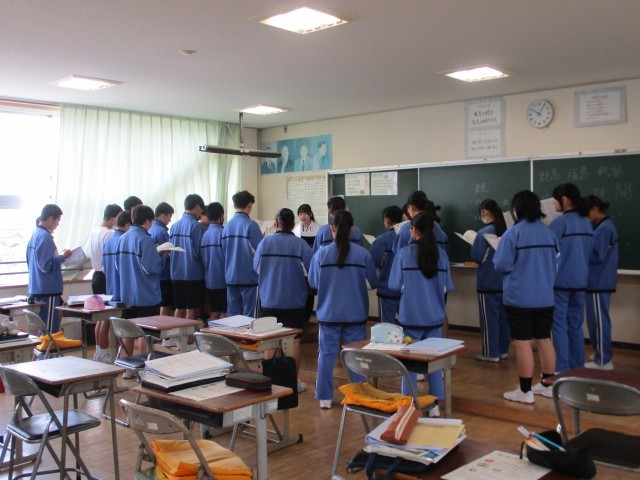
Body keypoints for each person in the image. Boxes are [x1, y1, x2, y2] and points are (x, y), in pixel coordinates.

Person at [493, 190, 559, 403]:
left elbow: (501, 265)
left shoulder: (513, 234)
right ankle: (548, 385)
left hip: (519, 297)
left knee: (522, 343)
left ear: (516, 210)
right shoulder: (549, 233)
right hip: (545, 296)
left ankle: (524, 390)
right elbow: (556, 263)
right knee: (545, 340)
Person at [309, 210, 378, 409]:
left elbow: (314, 282)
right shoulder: (363, 254)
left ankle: (325, 397)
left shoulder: (321, 254)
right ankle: (358, 396)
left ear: (331, 228)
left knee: (326, 355)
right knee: (356, 357)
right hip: (355, 313)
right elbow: (372, 283)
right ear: (352, 229)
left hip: (328, 314)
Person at [388, 213, 453, 417]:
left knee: (408, 365)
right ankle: (435, 405)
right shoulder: (441, 255)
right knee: (433, 362)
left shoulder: (404, 253)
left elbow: (393, 285)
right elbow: (447, 287)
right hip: (435, 316)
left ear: (414, 230)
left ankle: (409, 404)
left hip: (411, 317)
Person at [254, 208, 313, 393]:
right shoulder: (301, 245)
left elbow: (256, 268)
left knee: (270, 340)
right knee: (294, 341)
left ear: (276, 223)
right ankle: (292, 382)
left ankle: (270, 381)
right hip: (294, 301)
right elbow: (312, 271)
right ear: (293, 224)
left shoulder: (264, 243)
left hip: (269, 299)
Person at [549, 183, 593, 372]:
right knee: (575, 324)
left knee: (558, 324)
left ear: (565, 199)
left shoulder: (560, 222)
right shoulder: (586, 222)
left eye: (555, 200)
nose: (553, 204)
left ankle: (562, 366)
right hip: (581, 280)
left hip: (561, 281)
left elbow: (547, 248)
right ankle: (578, 366)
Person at [115, 206, 165, 374]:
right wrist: (162, 258)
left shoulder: (122, 238)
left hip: (127, 294)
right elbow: (152, 268)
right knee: (146, 333)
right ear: (147, 221)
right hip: (145, 295)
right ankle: (145, 368)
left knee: (128, 333)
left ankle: (127, 369)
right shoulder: (145, 240)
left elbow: (117, 266)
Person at [470, 199, 510, 362]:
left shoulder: (483, 233)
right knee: (503, 319)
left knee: (489, 320)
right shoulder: (508, 231)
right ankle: (503, 351)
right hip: (505, 282)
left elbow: (477, 256)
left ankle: (490, 353)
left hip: (487, 283)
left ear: (485, 212)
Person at [584, 195, 618, 370]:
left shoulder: (604, 229)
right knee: (595, 320)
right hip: (597, 281)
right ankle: (600, 353)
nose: (586, 218)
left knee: (598, 321)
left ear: (595, 209)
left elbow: (597, 255)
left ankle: (604, 360)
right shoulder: (603, 227)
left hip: (598, 281)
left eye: (587, 213)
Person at [26, 204, 72, 333]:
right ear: (50, 218)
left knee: (43, 328)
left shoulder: (34, 234)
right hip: (48, 290)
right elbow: (45, 266)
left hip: (37, 288)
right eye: (57, 221)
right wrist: (63, 257)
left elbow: (31, 262)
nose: (57, 224)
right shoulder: (45, 237)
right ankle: (49, 347)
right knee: (49, 331)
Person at [222, 190, 263, 317]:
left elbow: (224, 250)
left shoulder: (227, 226)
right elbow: (260, 252)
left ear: (234, 205)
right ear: (250, 205)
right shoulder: (251, 225)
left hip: (231, 277)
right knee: (250, 317)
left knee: (233, 316)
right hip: (249, 278)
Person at [99, 210, 131, 363]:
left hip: (111, 289)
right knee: (125, 330)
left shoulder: (109, 241)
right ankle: (123, 359)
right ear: (128, 224)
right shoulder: (123, 240)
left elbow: (104, 266)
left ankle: (112, 356)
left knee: (112, 324)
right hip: (123, 290)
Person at [169, 194, 205, 322]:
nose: (201, 212)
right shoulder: (196, 226)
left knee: (179, 307)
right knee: (190, 308)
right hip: (192, 273)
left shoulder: (174, 226)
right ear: (196, 207)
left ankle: (173, 333)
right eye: (201, 209)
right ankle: (189, 335)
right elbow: (198, 251)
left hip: (175, 273)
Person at [370, 206, 403, 324]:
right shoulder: (409, 236)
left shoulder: (382, 240)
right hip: (405, 288)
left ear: (387, 219)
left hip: (387, 289)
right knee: (407, 323)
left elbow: (374, 262)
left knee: (386, 325)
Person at [392, 191, 449, 256]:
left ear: (410, 208)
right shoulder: (438, 228)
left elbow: (397, 253)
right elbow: (446, 252)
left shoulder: (406, 228)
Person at [83, 204, 122, 295]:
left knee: (100, 303)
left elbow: (87, 253)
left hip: (96, 275)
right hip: (106, 275)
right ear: (114, 218)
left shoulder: (94, 231)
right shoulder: (109, 233)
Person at [201, 202, 227, 320]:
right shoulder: (223, 233)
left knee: (214, 311)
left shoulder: (205, 234)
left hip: (209, 280)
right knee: (225, 313)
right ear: (221, 216)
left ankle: (209, 332)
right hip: (223, 280)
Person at [148, 202, 175, 317]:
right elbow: (167, 251)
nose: (170, 220)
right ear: (163, 215)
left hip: (155, 273)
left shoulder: (150, 229)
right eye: (169, 217)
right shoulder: (161, 231)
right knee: (166, 304)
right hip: (165, 273)